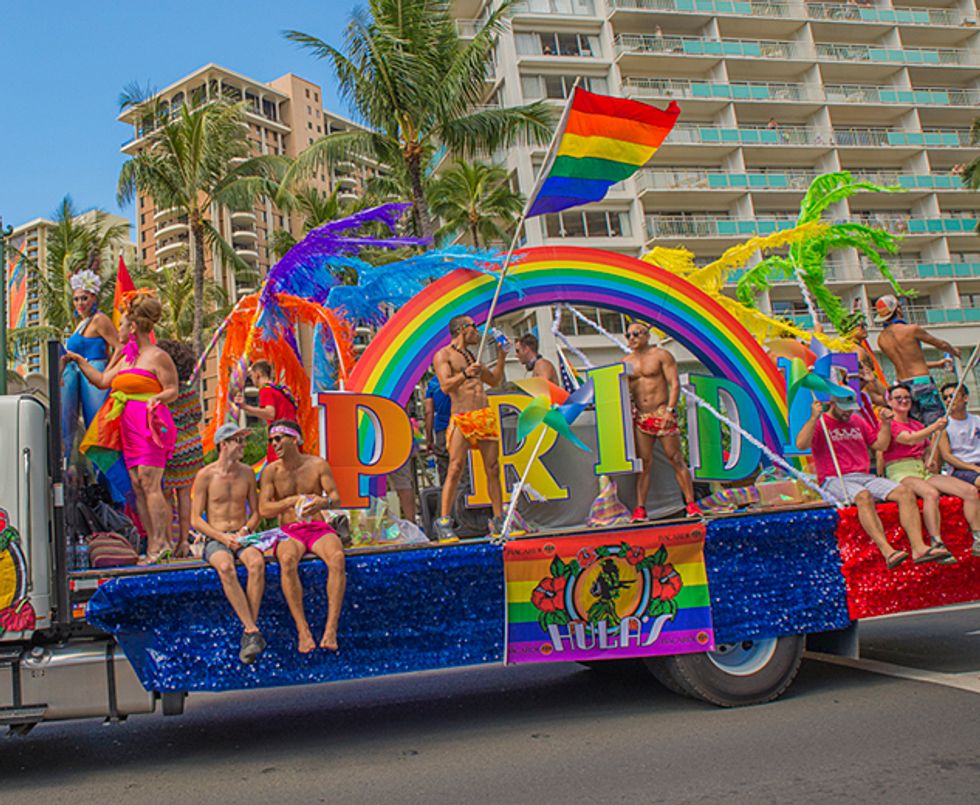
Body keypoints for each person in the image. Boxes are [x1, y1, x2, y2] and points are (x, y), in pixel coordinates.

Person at [72, 292, 179, 563]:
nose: (116, 328)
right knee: (137, 484)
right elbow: (101, 380)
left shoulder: (158, 356)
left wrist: (158, 398)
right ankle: (151, 540)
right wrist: (77, 360)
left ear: (132, 327)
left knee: (150, 481)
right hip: (127, 427)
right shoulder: (126, 358)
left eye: (121, 324)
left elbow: (173, 389)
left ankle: (161, 544)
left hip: (150, 424)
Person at [796, 395, 950, 567]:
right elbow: (801, 444)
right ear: (832, 403)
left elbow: (880, 445)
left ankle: (919, 548)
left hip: (864, 475)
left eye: (851, 408)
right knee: (863, 496)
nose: (848, 412)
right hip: (834, 478)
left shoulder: (857, 420)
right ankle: (888, 551)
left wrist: (885, 424)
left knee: (904, 492)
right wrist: (813, 417)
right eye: (844, 408)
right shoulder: (821, 422)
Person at [258, 420, 345, 653]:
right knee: (286, 561)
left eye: (278, 439)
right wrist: (287, 502)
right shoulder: (271, 471)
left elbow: (337, 497)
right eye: (271, 440)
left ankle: (330, 629)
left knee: (337, 557)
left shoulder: (317, 464)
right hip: (290, 530)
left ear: (294, 439)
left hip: (316, 527)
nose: (274, 444)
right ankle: (303, 630)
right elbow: (264, 509)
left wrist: (323, 501)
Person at [190, 422, 266, 663]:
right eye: (239, 441)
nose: (244, 445)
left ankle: (249, 631)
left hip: (241, 534)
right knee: (225, 567)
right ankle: (252, 630)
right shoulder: (205, 475)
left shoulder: (246, 472)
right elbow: (195, 519)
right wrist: (223, 537)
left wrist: (244, 531)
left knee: (256, 563)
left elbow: (256, 513)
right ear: (223, 444)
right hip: (217, 536)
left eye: (243, 440)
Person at [880, 383, 979, 562]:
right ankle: (936, 543)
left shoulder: (917, 423)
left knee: (970, 491)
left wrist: (930, 457)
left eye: (907, 398)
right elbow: (909, 440)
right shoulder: (890, 425)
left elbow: (925, 447)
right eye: (898, 398)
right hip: (900, 470)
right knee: (930, 493)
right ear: (890, 402)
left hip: (922, 469)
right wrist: (934, 427)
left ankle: (977, 538)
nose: (904, 401)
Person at [432, 315, 507, 540]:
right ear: (463, 329)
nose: (478, 332)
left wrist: (502, 357)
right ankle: (444, 521)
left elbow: (493, 381)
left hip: (483, 414)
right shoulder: (444, 355)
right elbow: (445, 386)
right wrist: (465, 374)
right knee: (455, 468)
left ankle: (499, 519)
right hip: (462, 416)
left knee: (493, 468)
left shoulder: (473, 356)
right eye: (475, 327)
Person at [624, 322, 699, 520]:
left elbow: (674, 384)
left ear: (647, 336)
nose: (632, 338)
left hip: (661, 412)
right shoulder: (626, 362)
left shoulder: (661, 355)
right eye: (628, 335)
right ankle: (640, 508)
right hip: (641, 416)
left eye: (636, 334)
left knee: (675, 459)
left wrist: (669, 410)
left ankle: (691, 504)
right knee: (644, 464)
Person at [61, 269, 120, 462]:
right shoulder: (82, 323)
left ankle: (115, 486)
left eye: (84, 298)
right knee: (86, 428)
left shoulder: (100, 320)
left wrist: (109, 372)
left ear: (94, 297)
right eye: (76, 299)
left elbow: (120, 347)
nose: (80, 303)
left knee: (99, 429)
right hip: (80, 377)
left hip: (95, 374)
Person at [874, 294, 960, 425]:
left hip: (902, 385)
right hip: (922, 383)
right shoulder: (911, 329)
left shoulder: (881, 339)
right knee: (936, 425)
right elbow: (940, 344)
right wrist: (954, 351)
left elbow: (907, 362)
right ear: (897, 309)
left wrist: (937, 364)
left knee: (915, 426)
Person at [158, 340, 204, 557]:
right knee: (185, 494)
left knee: (166, 495)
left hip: (170, 446)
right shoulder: (187, 391)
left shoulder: (164, 391)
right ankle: (185, 540)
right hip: (192, 446)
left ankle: (168, 541)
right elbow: (197, 415)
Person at [235, 360, 299, 464]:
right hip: (293, 437)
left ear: (257, 375)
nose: (251, 379)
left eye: (251, 376)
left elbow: (270, 413)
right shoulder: (281, 390)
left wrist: (245, 407)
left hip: (280, 439)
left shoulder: (266, 390)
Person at [937, 383, 980, 491]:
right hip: (960, 468)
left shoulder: (977, 420)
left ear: (965, 398)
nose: (948, 400)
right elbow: (947, 456)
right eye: (945, 398)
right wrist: (973, 467)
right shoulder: (943, 426)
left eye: (952, 396)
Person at [425, 374, 451, 484]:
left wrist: (429, 439)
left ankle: (448, 498)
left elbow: (428, 412)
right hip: (462, 425)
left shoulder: (433, 384)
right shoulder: (461, 377)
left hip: (442, 429)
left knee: (445, 466)